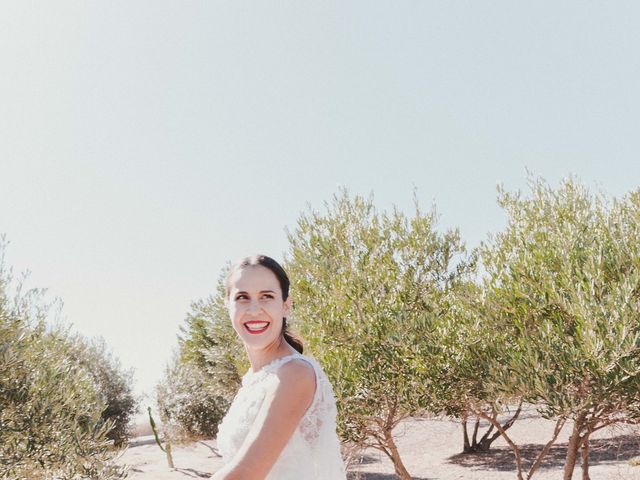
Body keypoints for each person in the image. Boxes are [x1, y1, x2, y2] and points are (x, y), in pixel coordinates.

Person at [212, 255, 347, 480]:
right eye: (242, 297)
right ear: (228, 306)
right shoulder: (257, 379)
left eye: (266, 296)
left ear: (286, 306)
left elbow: (245, 474)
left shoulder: (295, 374)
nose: (254, 310)